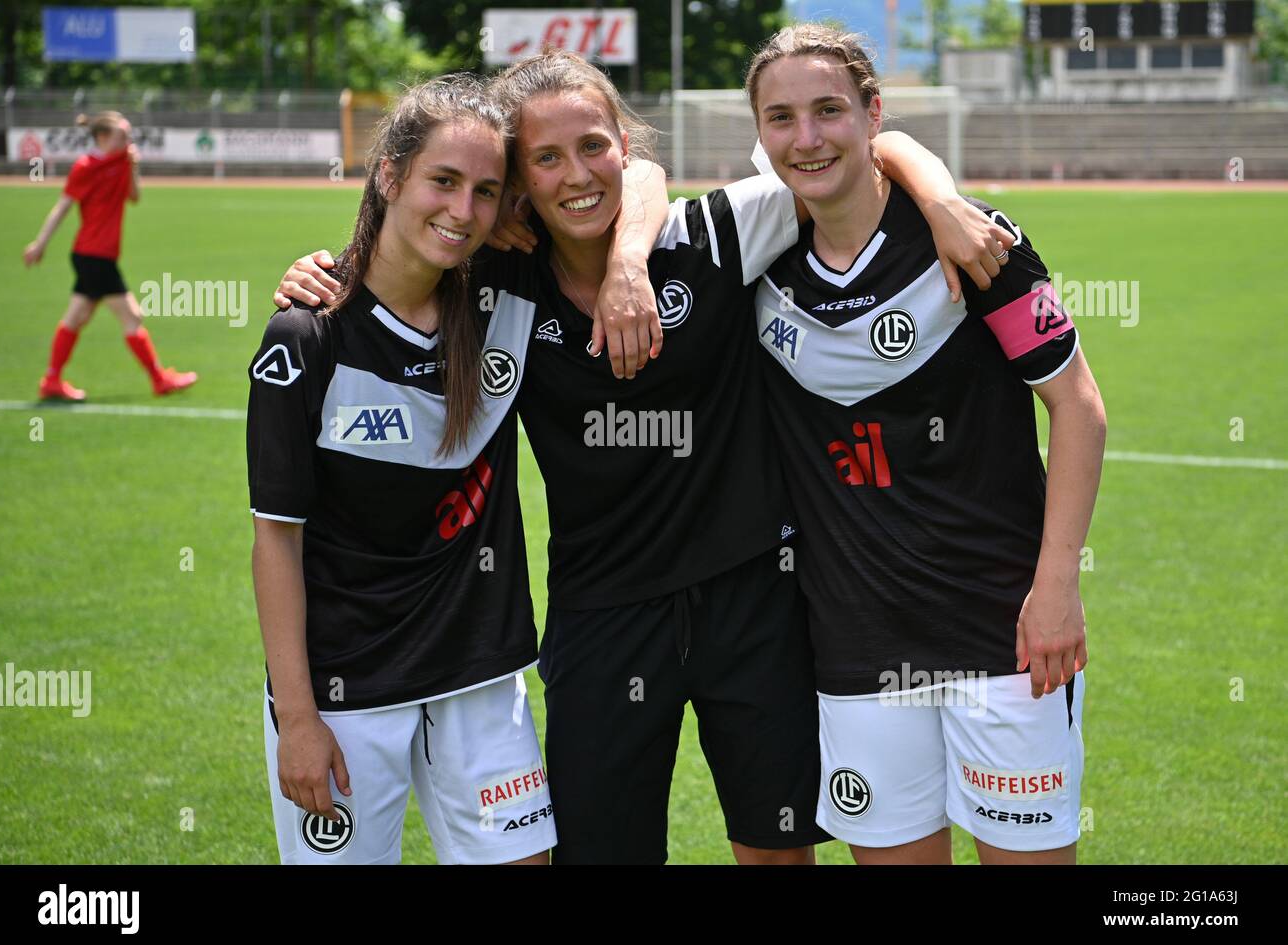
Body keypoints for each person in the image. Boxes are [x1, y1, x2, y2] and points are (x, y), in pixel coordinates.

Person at [273, 50, 1011, 865]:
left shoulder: (716, 236)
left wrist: (940, 197)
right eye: (545, 159)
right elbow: (412, 251)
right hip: (604, 615)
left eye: (594, 146)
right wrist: (320, 272)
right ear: (520, 183)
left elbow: (857, 153)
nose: (577, 175)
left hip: (754, 598)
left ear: (625, 144)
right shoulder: (503, 284)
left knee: (773, 851)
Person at [746, 24, 1107, 864]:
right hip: (856, 644)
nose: (808, 138)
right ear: (760, 136)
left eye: (830, 110)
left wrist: (1057, 588)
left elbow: (1079, 407)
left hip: (1006, 634)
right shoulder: (756, 259)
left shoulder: (978, 243)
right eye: (782, 118)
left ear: (872, 113)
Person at [252, 76, 568, 865]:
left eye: (487, 192)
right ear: (388, 175)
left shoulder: (507, 297)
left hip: (478, 675)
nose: (463, 212)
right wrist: (298, 717)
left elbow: (630, 183)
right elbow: (276, 542)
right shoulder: (305, 337)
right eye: (444, 181)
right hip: (346, 689)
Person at [23, 111, 196, 401]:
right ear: (102, 137)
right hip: (93, 255)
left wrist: (133, 167)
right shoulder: (85, 167)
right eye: (122, 136)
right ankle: (159, 379)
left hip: (97, 256)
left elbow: (134, 197)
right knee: (132, 316)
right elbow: (63, 206)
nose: (129, 141)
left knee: (77, 317)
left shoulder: (122, 160)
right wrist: (40, 242)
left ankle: (51, 380)